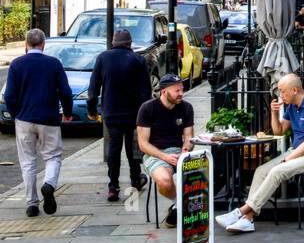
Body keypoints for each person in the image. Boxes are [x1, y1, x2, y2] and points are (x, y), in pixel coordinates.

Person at [217, 72, 304, 232]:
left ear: (294, 90)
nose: (280, 95)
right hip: (298, 152)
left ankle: (241, 212)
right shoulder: (292, 106)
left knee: (277, 171)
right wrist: (273, 112)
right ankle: (248, 220)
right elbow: (279, 132)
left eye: (282, 91)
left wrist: (288, 158)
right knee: (261, 171)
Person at [3, 28, 73, 218]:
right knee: (53, 156)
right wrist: (67, 113)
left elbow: (8, 95)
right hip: (49, 119)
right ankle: (49, 184)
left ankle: (32, 203)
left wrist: (16, 114)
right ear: (43, 44)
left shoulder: (17, 64)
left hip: (24, 118)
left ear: (26, 44)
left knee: (28, 162)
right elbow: (65, 92)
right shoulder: (54, 64)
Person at [86, 29, 151, 201]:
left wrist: (92, 110)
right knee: (133, 148)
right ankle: (136, 179)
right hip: (134, 113)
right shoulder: (139, 60)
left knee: (114, 149)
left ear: (113, 42)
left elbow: (92, 91)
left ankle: (113, 187)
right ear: (130, 44)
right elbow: (146, 93)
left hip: (111, 112)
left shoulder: (103, 58)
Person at [135, 74, 195, 228]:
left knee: (201, 175)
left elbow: (188, 137)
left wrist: (185, 150)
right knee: (164, 180)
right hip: (155, 153)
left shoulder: (186, 107)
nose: (181, 93)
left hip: (179, 151)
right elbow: (143, 144)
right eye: (176, 91)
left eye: (182, 89)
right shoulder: (147, 108)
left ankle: (178, 209)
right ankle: (179, 205)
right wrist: (165, 157)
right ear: (163, 91)